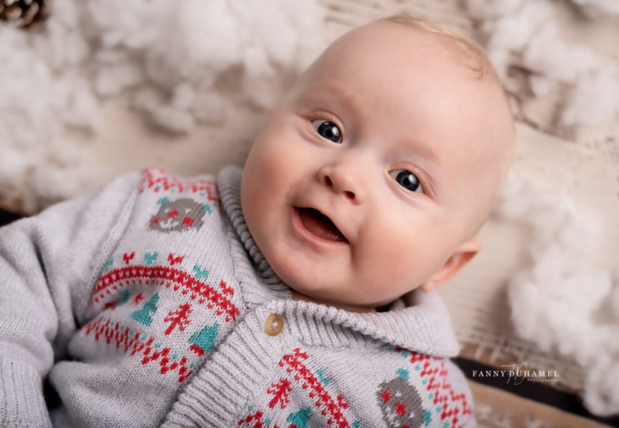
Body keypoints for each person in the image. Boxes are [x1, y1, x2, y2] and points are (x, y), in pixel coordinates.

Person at [0, 13, 514, 428]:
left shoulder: (426, 402)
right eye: (328, 129)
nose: (345, 174)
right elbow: (16, 283)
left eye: (406, 180)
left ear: (445, 264)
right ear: (269, 121)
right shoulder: (156, 212)